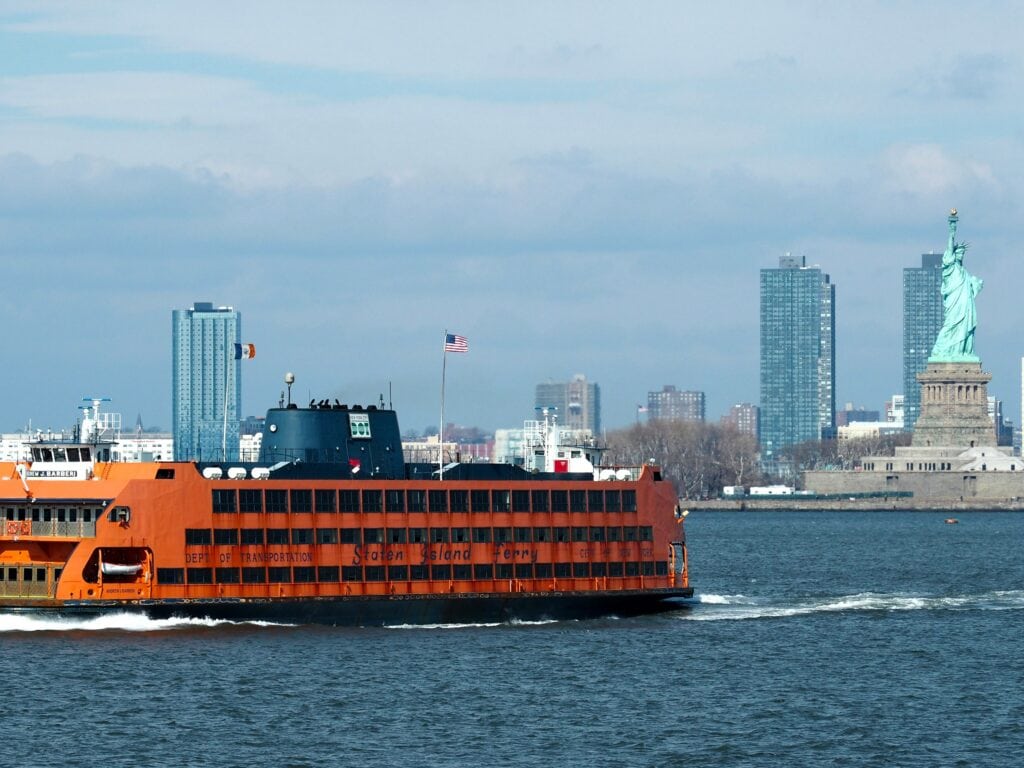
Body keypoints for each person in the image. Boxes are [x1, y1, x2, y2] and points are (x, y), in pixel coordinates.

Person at [930, 211, 983, 361]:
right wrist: (952, 232)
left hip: (965, 304)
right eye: (958, 253)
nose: (961, 255)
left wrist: (976, 285)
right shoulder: (950, 267)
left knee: (965, 327)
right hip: (954, 304)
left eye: (962, 254)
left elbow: (971, 291)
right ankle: (943, 350)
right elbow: (949, 249)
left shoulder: (964, 272)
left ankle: (963, 352)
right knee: (951, 324)